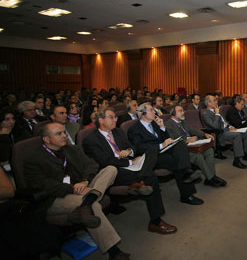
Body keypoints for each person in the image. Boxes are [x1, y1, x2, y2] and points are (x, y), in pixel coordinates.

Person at [24, 122, 131, 259]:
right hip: (57, 197)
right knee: (94, 205)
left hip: (84, 186)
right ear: (46, 139)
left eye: (64, 132)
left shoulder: (71, 149)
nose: (64, 136)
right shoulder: (34, 160)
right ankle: (113, 252)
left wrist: (85, 181)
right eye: (59, 134)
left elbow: (92, 164)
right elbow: (45, 185)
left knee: (111, 169)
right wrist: (72, 188)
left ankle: (84, 205)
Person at [82, 108, 177, 235]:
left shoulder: (118, 132)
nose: (115, 119)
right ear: (101, 120)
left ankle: (138, 181)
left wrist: (129, 152)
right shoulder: (91, 140)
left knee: (152, 152)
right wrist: (130, 162)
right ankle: (156, 222)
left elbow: (132, 146)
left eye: (115, 117)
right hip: (114, 171)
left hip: (132, 164)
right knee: (151, 177)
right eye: (111, 117)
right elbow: (105, 162)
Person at [127, 103, 204, 205]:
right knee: (178, 162)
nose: (154, 112)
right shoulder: (134, 129)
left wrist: (162, 127)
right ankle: (187, 191)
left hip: (164, 150)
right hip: (151, 156)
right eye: (151, 110)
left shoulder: (155, 124)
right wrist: (160, 146)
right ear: (143, 113)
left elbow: (166, 138)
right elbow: (140, 148)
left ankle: (187, 172)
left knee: (180, 145)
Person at [166, 105, 226, 188]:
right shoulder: (169, 125)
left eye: (183, 110)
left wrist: (204, 134)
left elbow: (192, 130)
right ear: (173, 114)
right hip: (182, 149)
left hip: (193, 144)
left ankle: (210, 177)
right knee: (198, 157)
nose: (183, 113)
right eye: (180, 111)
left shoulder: (182, 121)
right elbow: (172, 140)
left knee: (209, 151)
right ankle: (211, 178)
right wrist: (186, 140)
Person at [201, 95, 247, 169]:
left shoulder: (217, 110)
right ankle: (237, 160)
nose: (217, 101)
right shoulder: (205, 114)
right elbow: (215, 126)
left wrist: (230, 127)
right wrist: (217, 114)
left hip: (227, 130)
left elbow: (225, 122)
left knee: (246, 131)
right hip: (220, 133)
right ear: (209, 103)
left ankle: (246, 154)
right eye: (215, 100)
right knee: (237, 135)